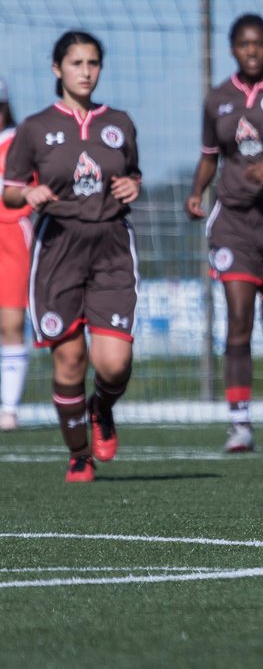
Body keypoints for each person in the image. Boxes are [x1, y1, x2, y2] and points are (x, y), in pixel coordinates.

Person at [1, 32, 142, 482]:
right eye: (77, 63)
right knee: (68, 360)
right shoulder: (35, 128)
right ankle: (79, 454)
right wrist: (28, 191)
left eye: (93, 63)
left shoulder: (119, 122)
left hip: (112, 246)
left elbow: (133, 173)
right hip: (58, 248)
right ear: (57, 68)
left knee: (114, 363)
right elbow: (8, 192)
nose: (86, 71)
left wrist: (132, 185)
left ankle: (101, 408)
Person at [185, 14, 263, 453]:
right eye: (243, 44)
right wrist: (196, 192)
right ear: (233, 48)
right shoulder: (217, 99)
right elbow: (209, 156)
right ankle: (240, 422)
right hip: (232, 223)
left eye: (259, 44)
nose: (251, 51)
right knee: (238, 321)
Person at [0, 77, 32, 431]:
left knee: (10, 323)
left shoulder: (19, 142)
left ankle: (9, 408)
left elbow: (35, 187)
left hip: (11, 233)